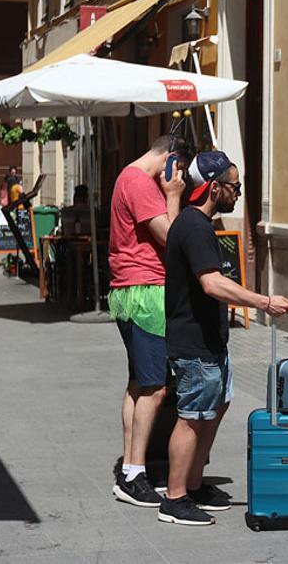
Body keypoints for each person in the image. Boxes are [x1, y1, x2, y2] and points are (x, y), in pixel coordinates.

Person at [159, 151, 288, 525]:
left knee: (216, 406)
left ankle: (193, 483)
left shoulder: (196, 223)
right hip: (194, 342)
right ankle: (175, 497)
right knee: (192, 417)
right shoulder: (195, 227)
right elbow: (211, 283)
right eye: (235, 186)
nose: (238, 193)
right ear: (214, 187)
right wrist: (264, 302)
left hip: (209, 341)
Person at [108, 136, 184, 508]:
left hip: (130, 288)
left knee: (139, 383)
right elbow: (171, 236)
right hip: (146, 291)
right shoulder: (141, 183)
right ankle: (134, 474)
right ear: (171, 160)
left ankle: (129, 466)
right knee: (155, 388)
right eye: (179, 168)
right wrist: (173, 194)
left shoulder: (127, 175)